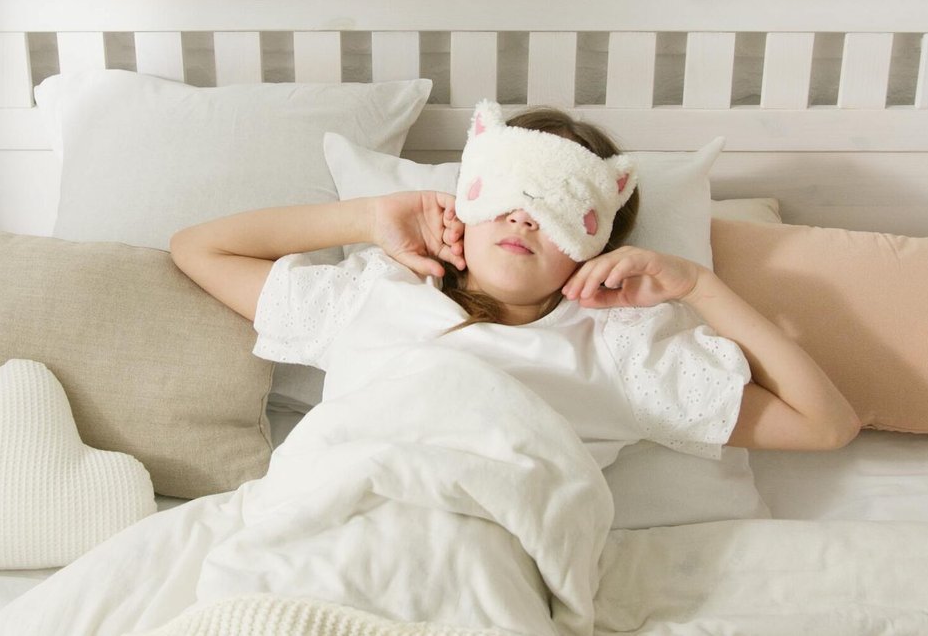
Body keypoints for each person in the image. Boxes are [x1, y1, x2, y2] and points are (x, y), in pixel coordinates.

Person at [171, 101, 858, 472]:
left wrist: (701, 286)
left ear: (595, 249)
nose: (525, 215)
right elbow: (196, 247)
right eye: (505, 193)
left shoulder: (620, 355)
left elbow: (828, 424)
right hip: (330, 515)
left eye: (558, 207)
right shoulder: (374, 295)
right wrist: (365, 217)